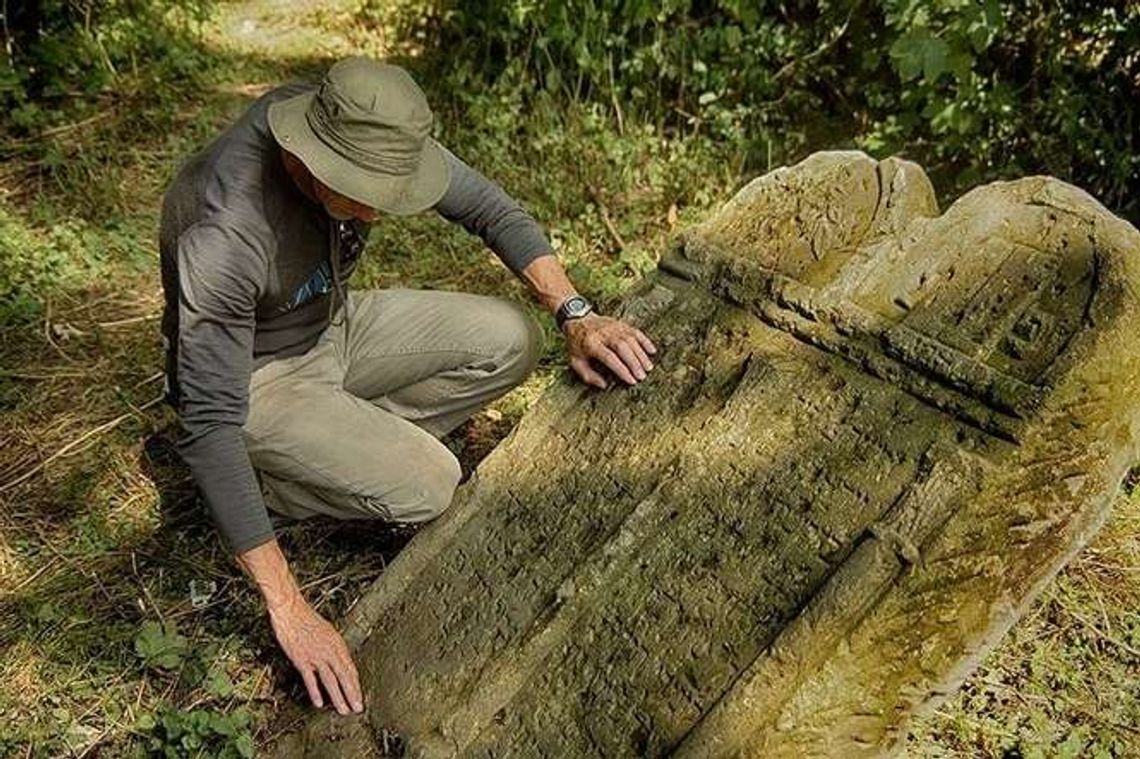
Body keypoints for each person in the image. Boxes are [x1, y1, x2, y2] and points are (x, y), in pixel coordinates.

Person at [158, 55, 657, 717]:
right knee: (432, 482)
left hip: (332, 321)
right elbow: (210, 422)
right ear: (308, 158)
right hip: (257, 379)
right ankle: (276, 481)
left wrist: (576, 314)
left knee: (512, 338)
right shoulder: (225, 232)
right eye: (365, 191)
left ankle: (341, 442)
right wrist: (290, 608)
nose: (380, 210)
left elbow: (488, 208)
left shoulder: (361, 115)